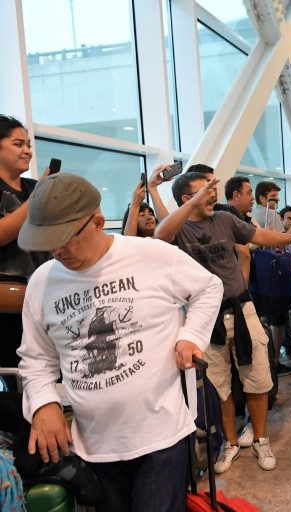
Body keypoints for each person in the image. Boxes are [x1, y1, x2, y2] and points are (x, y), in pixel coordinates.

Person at [16, 173, 223, 510]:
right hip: (94, 445)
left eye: (66, 238)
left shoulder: (152, 256)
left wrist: (191, 335)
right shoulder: (42, 282)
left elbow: (209, 287)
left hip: (161, 436)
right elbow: (36, 359)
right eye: (48, 241)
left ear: (97, 222)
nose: (57, 250)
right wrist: (43, 403)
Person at [154, 172, 291, 474]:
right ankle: (229, 443)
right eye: (204, 191)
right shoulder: (179, 231)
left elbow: (259, 237)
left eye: (211, 190)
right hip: (205, 319)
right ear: (186, 200)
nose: (211, 196)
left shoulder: (225, 220)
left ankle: (260, 439)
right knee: (220, 385)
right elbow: (161, 234)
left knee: (256, 377)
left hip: (242, 309)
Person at [0, 115, 51, 379]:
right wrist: (36, 201)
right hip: (7, 304)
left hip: (45, 296)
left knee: (47, 374)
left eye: (28, 144)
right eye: (18, 144)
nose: (27, 151)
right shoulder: (36, 191)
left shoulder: (34, 187)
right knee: (14, 375)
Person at [251, 180, 291, 376]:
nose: (277, 200)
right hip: (271, 272)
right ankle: (274, 360)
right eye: (273, 197)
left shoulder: (252, 216)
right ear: (262, 198)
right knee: (278, 316)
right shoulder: (269, 216)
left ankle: (264, 361)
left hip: (258, 274)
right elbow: (280, 240)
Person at [121, 165, 174, 237]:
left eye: (151, 214)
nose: (149, 217)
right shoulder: (130, 243)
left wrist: (152, 187)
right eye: (142, 215)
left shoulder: (162, 240)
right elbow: (129, 240)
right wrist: (135, 204)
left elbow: (169, 229)